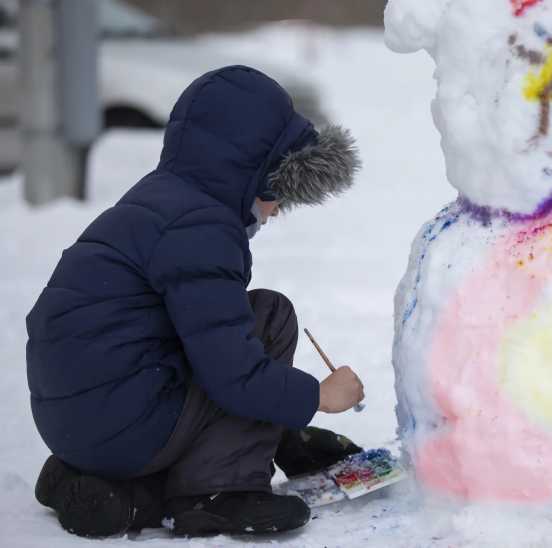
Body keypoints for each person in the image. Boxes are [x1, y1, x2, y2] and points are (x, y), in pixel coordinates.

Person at [25, 65, 365, 538]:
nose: (278, 206)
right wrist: (318, 397)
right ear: (255, 172)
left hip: (72, 420)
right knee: (269, 316)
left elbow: (193, 342)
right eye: (277, 189)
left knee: (221, 333)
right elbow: (233, 374)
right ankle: (219, 492)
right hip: (126, 419)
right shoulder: (204, 229)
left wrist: (284, 433)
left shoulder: (158, 200)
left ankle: (112, 493)